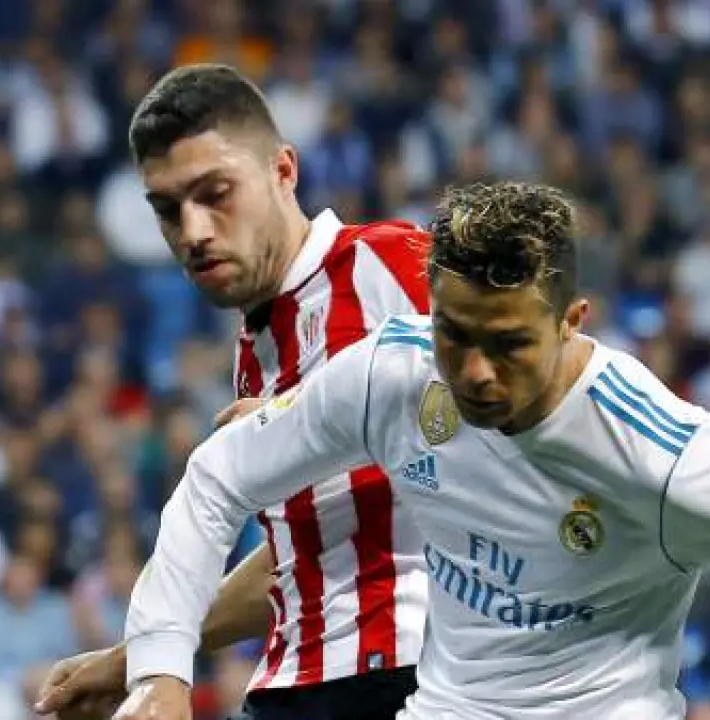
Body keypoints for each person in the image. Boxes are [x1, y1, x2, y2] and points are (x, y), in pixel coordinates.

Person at [112, 182, 710, 719]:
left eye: (509, 343)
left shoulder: (661, 457)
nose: (476, 372)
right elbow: (217, 476)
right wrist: (158, 670)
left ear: (572, 320)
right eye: (455, 334)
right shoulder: (394, 373)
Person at [35, 63, 432, 719]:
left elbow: (523, 416)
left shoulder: (391, 265)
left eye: (215, 193)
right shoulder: (258, 348)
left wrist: (320, 420)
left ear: (284, 171)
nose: (193, 232)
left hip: (412, 674)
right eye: (168, 210)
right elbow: (304, 556)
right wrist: (135, 659)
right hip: (298, 685)